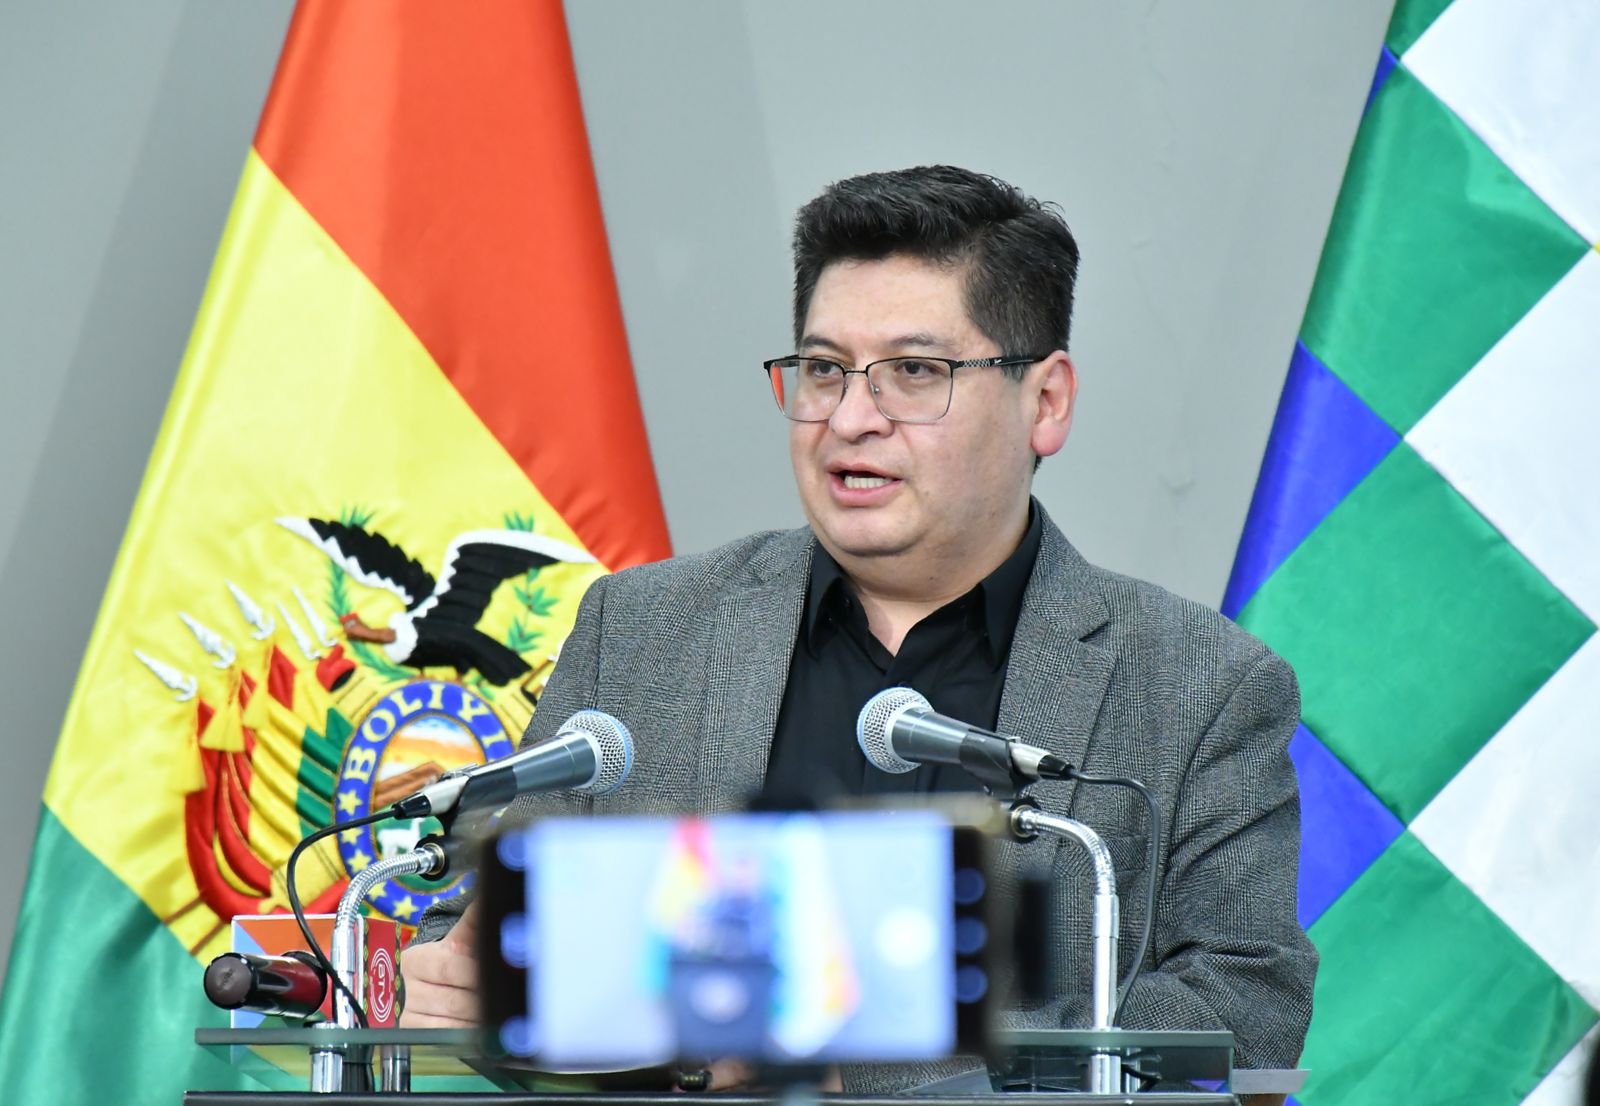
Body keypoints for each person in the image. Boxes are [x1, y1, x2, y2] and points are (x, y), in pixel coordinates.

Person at [401, 165, 1317, 1092]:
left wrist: (858, 1049)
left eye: (914, 373)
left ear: (1045, 402)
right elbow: (479, 940)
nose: (848, 419)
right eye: (824, 370)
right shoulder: (642, 632)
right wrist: (458, 984)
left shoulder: (1199, 683)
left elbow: (1247, 1011)